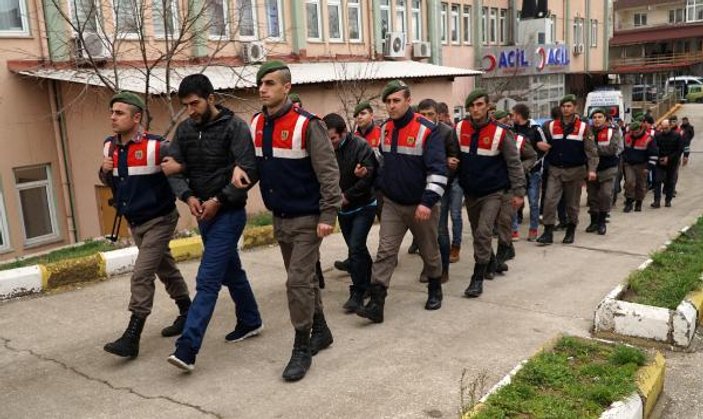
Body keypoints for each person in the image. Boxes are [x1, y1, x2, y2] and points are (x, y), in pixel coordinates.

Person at [242, 61, 341, 381]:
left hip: (308, 218)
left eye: (270, 83)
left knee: (296, 282)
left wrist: (329, 214)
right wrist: (239, 177)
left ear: (286, 88)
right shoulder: (257, 121)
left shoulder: (308, 125)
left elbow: (329, 173)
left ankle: (301, 346)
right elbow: (258, 164)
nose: (262, 89)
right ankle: (321, 330)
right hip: (280, 216)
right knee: (305, 281)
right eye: (260, 83)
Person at [163, 74, 263, 372]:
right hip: (202, 214)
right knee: (231, 271)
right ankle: (250, 320)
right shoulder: (184, 131)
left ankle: (187, 349)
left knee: (207, 280)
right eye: (186, 105)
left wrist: (219, 199)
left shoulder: (235, 128)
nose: (191, 110)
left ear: (212, 98)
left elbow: (249, 171)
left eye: (195, 103)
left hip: (229, 214)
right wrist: (188, 196)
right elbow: (172, 168)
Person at [100, 91, 191, 359]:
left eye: (119, 113)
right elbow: (111, 182)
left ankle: (132, 336)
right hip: (135, 221)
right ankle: (187, 311)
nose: (113, 117)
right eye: (112, 112)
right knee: (165, 268)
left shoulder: (157, 145)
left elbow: (181, 167)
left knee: (142, 274)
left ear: (136, 117)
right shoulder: (109, 146)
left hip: (160, 219)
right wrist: (104, 171)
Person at [356, 79, 447, 323]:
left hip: (421, 205)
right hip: (393, 204)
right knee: (385, 252)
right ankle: (376, 304)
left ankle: (435, 288)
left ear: (408, 101)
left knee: (429, 251)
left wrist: (427, 202)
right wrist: (367, 172)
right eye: (388, 101)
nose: (392, 105)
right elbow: (379, 162)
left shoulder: (428, 130)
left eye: (397, 100)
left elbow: (438, 170)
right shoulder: (385, 129)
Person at [456, 89, 525, 298]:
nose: (475, 109)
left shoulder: (501, 132)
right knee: (479, 231)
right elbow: (452, 152)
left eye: (479, 105)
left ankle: (477, 277)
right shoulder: (459, 128)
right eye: (472, 106)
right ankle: (492, 261)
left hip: (493, 192)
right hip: (470, 192)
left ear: (487, 106)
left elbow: (514, 163)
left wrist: (519, 192)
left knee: (483, 232)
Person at [322, 113, 378, 314]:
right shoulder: (325, 150)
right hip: (343, 210)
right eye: (327, 140)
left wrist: (348, 196)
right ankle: (370, 282)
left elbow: (369, 176)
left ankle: (358, 292)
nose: (331, 143)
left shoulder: (361, 146)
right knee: (358, 249)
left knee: (355, 247)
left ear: (343, 133)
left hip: (364, 206)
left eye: (334, 139)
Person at [537, 94, 598, 245]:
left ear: (575, 107)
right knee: (549, 201)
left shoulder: (584, 127)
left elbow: (591, 151)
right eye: (563, 106)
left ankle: (570, 230)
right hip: (555, 170)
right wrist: (538, 144)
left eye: (569, 106)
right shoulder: (550, 126)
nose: (566, 109)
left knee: (572, 204)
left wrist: (592, 169)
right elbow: (538, 138)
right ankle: (548, 232)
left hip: (575, 171)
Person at [417, 98, 460, 283]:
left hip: (441, 187)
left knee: (440, 230)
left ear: (437, 115)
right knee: (422, 233)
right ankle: (428, 266)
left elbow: (454, 159)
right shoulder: (414, 129)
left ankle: (443, 269)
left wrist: (448, 164)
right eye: (423, 114)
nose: (426, 118)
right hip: (419, 188)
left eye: (430, 115)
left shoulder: (446, 132)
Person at [512, 103, 547, 241]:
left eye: (513, 114)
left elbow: (544, 150)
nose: (511, 117)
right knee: (514, 201)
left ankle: (533, 229)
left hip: (534, 172)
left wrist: (533, 164)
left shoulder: (535, 129)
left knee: (533, 202)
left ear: (519, 115)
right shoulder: (511, 129)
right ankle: (514, 230)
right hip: (517, 173)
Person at [584, 109, 620, 235]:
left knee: (605, 195)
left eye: (600, 117)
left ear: (605, 118)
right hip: (591, 169)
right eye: (594, 117)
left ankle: (602, 222)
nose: (597, 119)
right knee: (592, 196)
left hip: (608, 168)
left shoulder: (613, 131)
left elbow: (612, 149)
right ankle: (593, 221)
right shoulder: (587, 131)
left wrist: (593, 150)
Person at [438, 101, 465, 263]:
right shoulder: (434, 132)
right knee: (441, 218)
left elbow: (457, 157)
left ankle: (456, 246)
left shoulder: (455, 131)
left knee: (455, 214)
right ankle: (445, 247)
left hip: (455, 179)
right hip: (442, 181)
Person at [622, 121, 658, 213]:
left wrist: (649, 167)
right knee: (629, 182)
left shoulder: (648, 138)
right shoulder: (627, 137)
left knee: (640, 184)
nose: (634, 134)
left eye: (637, 132)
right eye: (632, 132)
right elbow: (623, 150)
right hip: (629, 164)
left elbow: (653, 154)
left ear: (642, 129)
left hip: (642, 165)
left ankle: (639, 202)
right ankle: (629, 202)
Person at [652, 119, 683, 208]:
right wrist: (659, 158)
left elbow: (679, 150)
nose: (664, 130)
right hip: (660, 162)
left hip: (672, 163)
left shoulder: (677, 136)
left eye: (666, 128)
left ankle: (668, 200)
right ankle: (656, 201)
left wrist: (668, 158)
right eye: (663, 128)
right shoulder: (658, 136)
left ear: (670, 126)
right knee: (657, 181)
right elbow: (654, 148)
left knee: (670, 182)